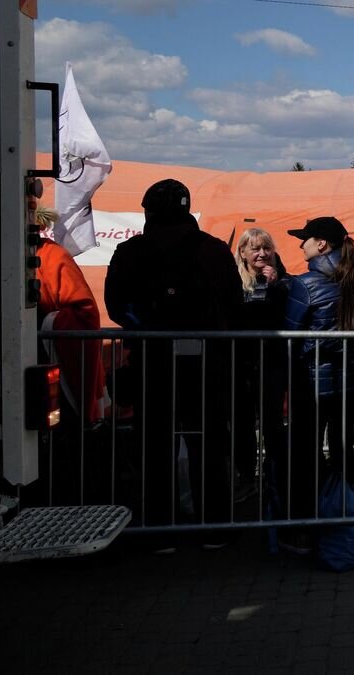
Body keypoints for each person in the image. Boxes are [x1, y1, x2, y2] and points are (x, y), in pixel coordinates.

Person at [105, 179, 242, 547]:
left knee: (154, 444)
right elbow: (234, 304)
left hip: (152, 363)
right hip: (208, 364)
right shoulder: (213, 250)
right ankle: (213, 527)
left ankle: (159, 529)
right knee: (210, 442)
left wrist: (149, 330)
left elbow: (117, 306)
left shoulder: (131, 251)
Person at [282, 216, 354, 552]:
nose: (300, 244)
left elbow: (289, 336)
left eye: (305, 238)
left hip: (313, 382)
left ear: (322, 244)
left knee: (305, 455)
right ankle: (346, 518)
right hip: (351, 380)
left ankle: (305, 529)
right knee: (341, 449)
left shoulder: (306, 284)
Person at [31, 200, 107, 505]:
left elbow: (85, 313)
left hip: (54, 372)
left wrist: (44, 323)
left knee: (64, 444)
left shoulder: (52, 257)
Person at [233, 228, 290, 500]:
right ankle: (247, 476)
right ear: (242, 252)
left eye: (266, 247)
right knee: (243, 422)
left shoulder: (281, 276)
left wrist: (276, 286)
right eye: (255, 248)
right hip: (242, 362)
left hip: (272, 361)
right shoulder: (233, 280)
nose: (262, 253)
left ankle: (274, 475)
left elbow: (286, 312)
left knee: (272, 422)